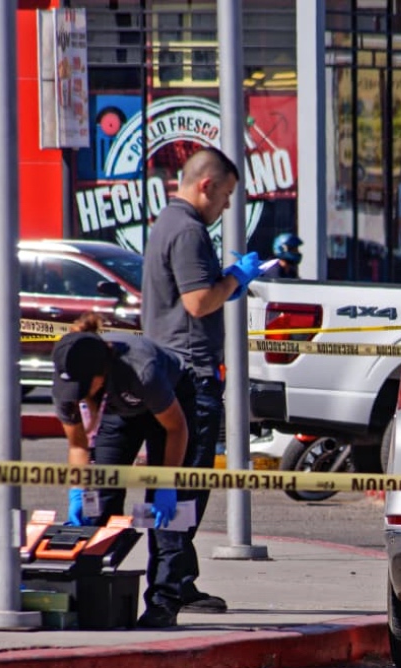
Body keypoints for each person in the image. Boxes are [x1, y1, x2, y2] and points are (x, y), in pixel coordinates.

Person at [140, 146, 260, 621]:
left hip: (169, 373)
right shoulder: (189, 231)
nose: (227, 206)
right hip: (191, 376)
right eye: (226, 195)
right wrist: (234, 279)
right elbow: (197, 302)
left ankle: (177, 581)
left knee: (170, 488)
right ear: (205, 185)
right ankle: (166, 593)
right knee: (184, 490)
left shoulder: (165, 223)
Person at [52, 313, 195, 628]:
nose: (75, 396)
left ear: (100, 374)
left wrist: (167, 484)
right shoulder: (67, 380)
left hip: (171, 405)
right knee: (99, 498)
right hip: (120, 412)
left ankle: (163, 602)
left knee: (163, 512)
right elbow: (78, 445)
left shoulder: (141, 370)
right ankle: (93, 592)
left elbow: (176, 428)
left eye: (82, 388)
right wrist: (79, 490)